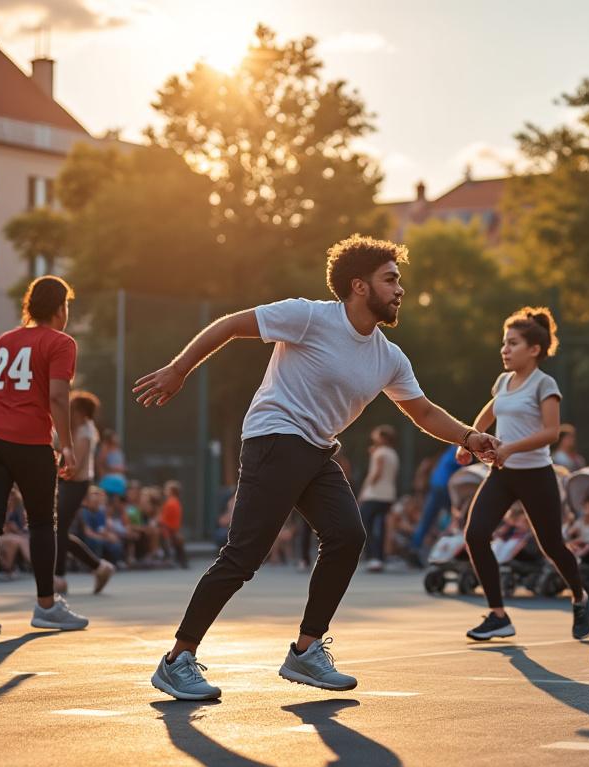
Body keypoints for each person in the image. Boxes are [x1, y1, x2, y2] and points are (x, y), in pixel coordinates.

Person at [134, 234, 499, 699]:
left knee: (348, 536)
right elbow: (228, 325)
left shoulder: (388, 356)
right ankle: (177, 660)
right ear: (359, 286)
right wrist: (179, 368)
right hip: (274, 436)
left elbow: (424, 413)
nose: (399, 289)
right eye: (390, 280)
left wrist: (469, 436)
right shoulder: (308, 316)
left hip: (315, 448)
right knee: (244, 557)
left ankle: (306, 651)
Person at [0, 275, 88, 637]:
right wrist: (66, 447)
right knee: (42, 524)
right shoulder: (61, 342)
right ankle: (46, 606)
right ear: (61, 307)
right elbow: (59, 397)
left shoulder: (3, 342)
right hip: (29, 442)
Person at [458, 306, 589, 643]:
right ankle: (498, 615)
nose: (505, 349)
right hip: (503, 475)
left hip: (536, 475)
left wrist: (509, 448)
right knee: (474, 535)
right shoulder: (503, 381)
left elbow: (551, 433)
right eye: (504, 343)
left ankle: (579, 596)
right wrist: (467, 440)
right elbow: (486, 416)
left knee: (552, 546)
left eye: (513, 343)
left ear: (534, 349)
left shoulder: (545, 384)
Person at [53, 390, 117, 595]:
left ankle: (59, 577)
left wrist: (54, 478)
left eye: (71, 408)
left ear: (80, 412)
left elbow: (76, 467)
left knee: (59, 529)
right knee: (59, 531)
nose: (67, 410)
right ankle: (99, 567)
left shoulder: (85, 432)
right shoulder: (71, 428)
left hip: (75, 483)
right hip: (66, 483)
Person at [408, 445, 460, 566]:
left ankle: (414, 548)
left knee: (426, 520)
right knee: (457, 519)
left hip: (435, 487)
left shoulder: (448, 451)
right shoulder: (460, 451)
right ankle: (449, 547)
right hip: (445, 488)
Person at [357, 425, 399, 572]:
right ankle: (380, 558)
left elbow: (376, 474)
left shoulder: (379, 453)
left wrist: (364, 490)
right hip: (388, 495)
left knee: (364, 524)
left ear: (383, 438)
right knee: (380, 526)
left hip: (374, 494)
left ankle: (372, 557)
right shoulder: (393, 453)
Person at [159, 480, 188, 568]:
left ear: (171, 491)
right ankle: (181, 562)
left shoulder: (170, 503)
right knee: (177, 547)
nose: (164, 491)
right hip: (173, 529)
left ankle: (169, 560)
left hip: (169, 529)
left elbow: (164, 518)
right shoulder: (176, 502)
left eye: (166, 489)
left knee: (171, 545)